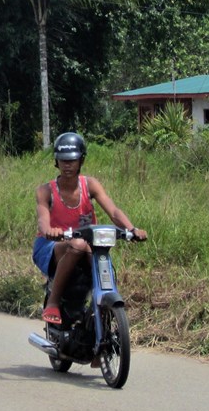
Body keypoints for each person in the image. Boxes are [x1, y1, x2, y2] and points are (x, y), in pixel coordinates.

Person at [33, 132, 147, 325]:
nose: (68, 165)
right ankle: (53, 301)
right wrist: (50, 231)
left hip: (87, 241)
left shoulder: (90, 185)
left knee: (92, 250)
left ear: (81, 160)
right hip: (52, 246)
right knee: (78, 244)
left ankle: (101, 314)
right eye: (63, 160)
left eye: (72, 160)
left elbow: (113, 211)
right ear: (56, 161)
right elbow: (43, 220)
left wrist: (132, 229)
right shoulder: (46, 191)